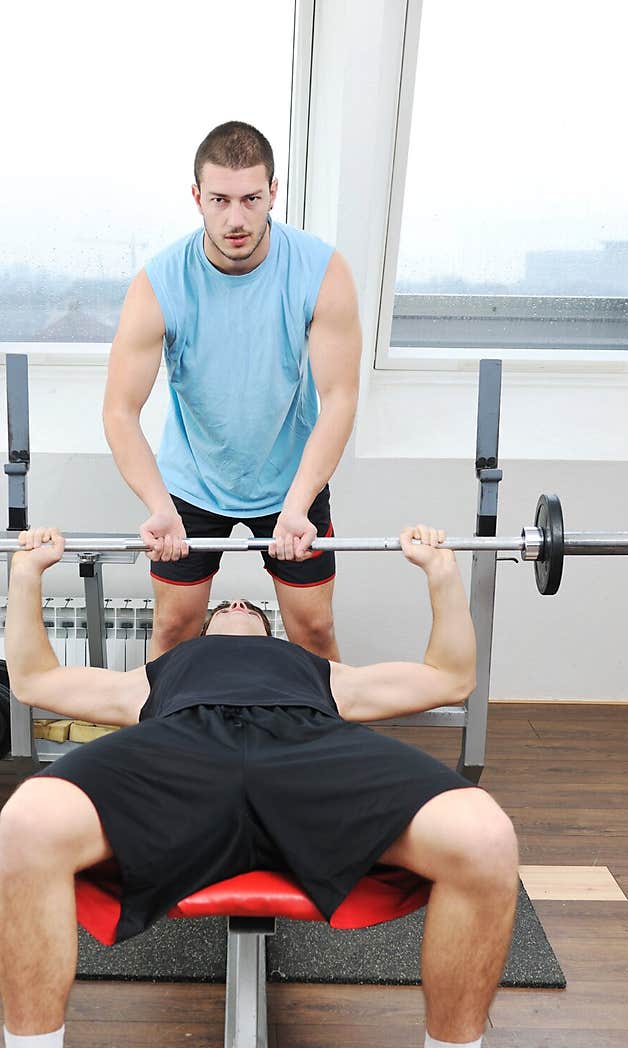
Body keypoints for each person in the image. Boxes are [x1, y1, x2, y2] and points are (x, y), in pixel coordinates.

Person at [0, 523, 536, 1048]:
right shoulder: (154, 677)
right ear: (205, 627)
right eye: (226, 604)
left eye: (253, 605)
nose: (239, 603)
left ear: (270, 630)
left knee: (484, 834)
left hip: (310, 747)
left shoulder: (325, 675)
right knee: (29, 819)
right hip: (177, 753)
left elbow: (450, 677)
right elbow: (32, 681)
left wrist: (441, 572)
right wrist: (26, 573)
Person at [102, 120, 362, 661]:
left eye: (251, 198)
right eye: (219, 199)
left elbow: (339, 398)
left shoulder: (321, 271)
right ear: (197, 197)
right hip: (191, 485)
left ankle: (325, 744)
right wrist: (158, 506)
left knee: (314, 632)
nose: (236, 218)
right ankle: (166, 746)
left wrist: (299, 505)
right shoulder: (160, 282)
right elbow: (121, 412)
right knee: (173, 632)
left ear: (273, 192)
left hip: (292, 482)